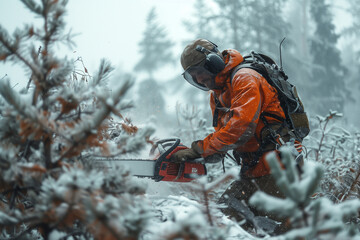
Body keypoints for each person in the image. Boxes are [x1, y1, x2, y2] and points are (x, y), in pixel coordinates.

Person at [171, 38, 301, 234]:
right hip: (251, 172)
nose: (199, 80)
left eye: (200, 73)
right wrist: (201, 155)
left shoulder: (245, 78)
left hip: (277, 171)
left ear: (213, 62)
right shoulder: (217, 94)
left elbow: (240, 129)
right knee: (224, 220)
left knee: (284, 232)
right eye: (193, 77)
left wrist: (198, 149)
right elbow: (223, 136)